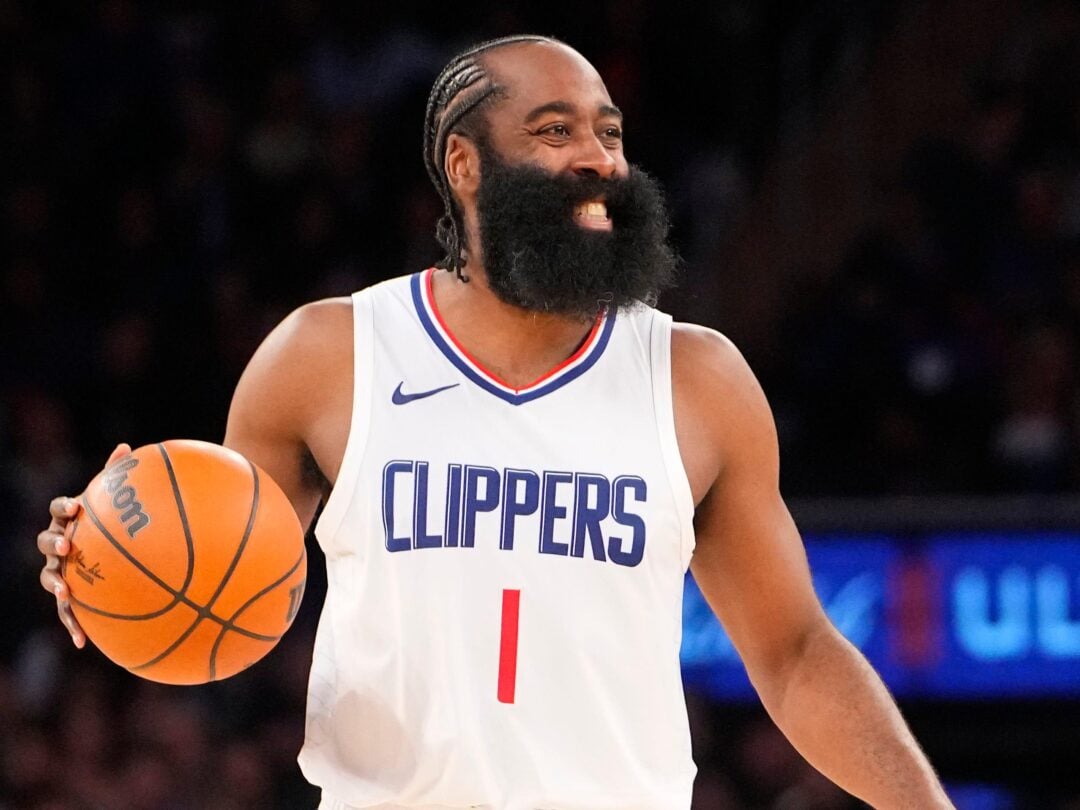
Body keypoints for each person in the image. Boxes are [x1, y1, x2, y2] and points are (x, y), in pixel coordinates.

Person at [37, 35, 954, 810]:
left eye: (609, 132)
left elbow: (795, 653)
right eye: (555, 131)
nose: (598, 158)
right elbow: (221, 587)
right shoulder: (328, 357)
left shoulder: (695, 379)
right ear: (465, 166)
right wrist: (108, 547)